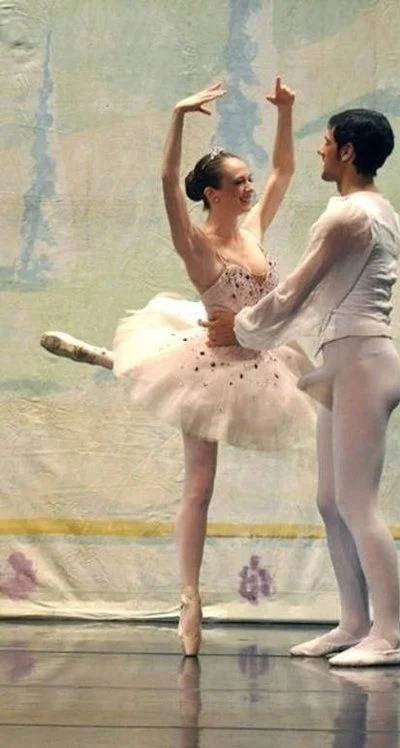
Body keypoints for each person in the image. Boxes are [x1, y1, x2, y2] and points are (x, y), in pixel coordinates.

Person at [40, 79, 315, 656]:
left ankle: (108, 358)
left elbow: (284, 171)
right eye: (238, 182)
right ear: (212, 194)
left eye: (247, 180)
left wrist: (287, 112)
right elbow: (167, 182)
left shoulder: (253, 229)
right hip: (210, 369)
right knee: (200, 487)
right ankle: (189, 598)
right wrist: (178, 116)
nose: (249, 187)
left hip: (259, 359)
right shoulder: (196, 246)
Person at [203, 108, 400, 667]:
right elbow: (314, 295)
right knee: (330, 500)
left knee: (358, 503)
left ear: (347, 152)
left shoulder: (351, 216)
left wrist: (242, 329)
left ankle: (387, 635)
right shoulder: (372, 210)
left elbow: (297, 292)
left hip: (363, 361)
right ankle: (354, 623)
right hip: (346, 361)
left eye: (327, 141)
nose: (320, 148)